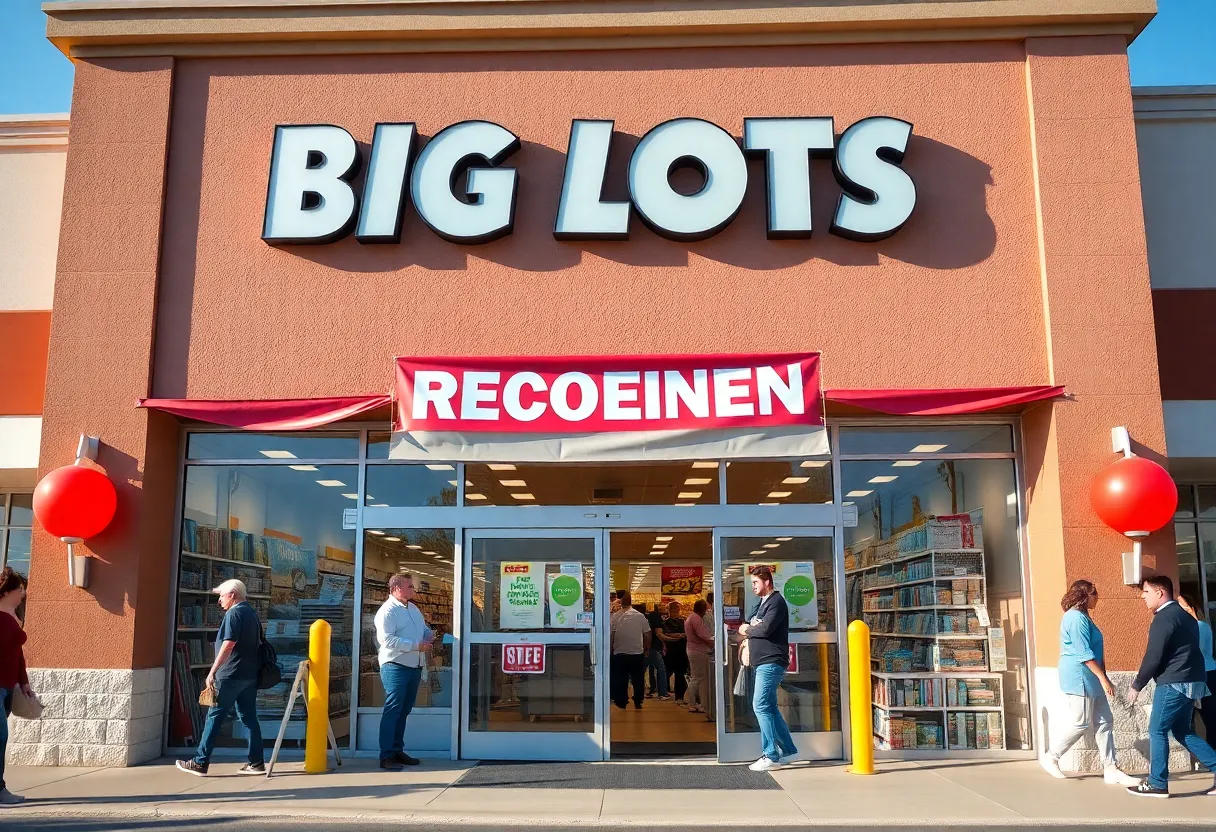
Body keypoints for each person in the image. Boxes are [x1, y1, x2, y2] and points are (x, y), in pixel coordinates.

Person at [1038, 580, 1139, 785]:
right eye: (1095, 593)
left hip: (1091, 676)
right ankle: (1052, 756)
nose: (1098, 597)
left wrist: (1103, 676)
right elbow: (1083, 653)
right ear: (1085, 595)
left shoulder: (1084, 617)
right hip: (1080, 676)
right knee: (1080, 721)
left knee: (1104, 721)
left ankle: (1110, 768)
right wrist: (1103, 678)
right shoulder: (1075, 618)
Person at [1125, 574, 1216, 798]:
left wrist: (1137, 685)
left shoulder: (1164, 618)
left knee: (1157, 730)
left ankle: (1157, 783)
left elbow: (1153, 656)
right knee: (1183, 731)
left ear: (1160, 592)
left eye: (1146, 592)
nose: (1143, 597)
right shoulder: (1186, 617)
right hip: (1191, 681)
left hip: (1174, 683)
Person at [177, 579, 264, 776]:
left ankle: (200, 762)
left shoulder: (234, 613)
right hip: (249, 675)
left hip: (230, 674)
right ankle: (256, 762)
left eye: (221, 596)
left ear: (232, 595)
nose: (219, 601)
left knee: (214, 717)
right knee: (249, 718)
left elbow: (228, 644)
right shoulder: (251, 613)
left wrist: (212, 671)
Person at [738, 565, 798, 771]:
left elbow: (763, 629)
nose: (753, 586)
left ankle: (771, 755)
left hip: (771, 661)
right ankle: (788, 750)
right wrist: (749, 629)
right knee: (770, 707)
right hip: (763, 661)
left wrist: (747, 629)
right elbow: (753, 626)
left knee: (760, 705)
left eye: (755, 582)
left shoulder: (776, 602)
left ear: (767, 582)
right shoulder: (762, 603)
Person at [375, 572, 433, 770]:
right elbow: (386, 640)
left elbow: (422, 629)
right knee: (393, 709)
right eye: (410, 586)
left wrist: (429, 635)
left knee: (404, 710)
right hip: (396, 665)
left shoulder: (413, 608)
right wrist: (416, 645)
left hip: (414, 665)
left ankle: (397, 749)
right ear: (397, 588)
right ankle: (386, 755)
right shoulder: (387, 611)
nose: (413, 590)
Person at [0, 568, 31, 805]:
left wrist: (24, 682)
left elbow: (16, 652)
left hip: (7, 686)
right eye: (19, 590)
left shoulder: (10, 617)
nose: (23, 594)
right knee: (1, 736)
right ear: (7, 591)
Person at [1177, 594, 1216, 745]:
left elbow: (1191, 653)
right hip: (1210, 671)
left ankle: (1209, 754)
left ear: (1190, 608)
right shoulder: (1204, 625)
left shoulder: (1196, 627)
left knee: (1201, 716)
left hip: (1200, 675)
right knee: (1210, 716)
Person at [610, 590, 651, 709]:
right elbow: (648, 633)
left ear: (620, 602)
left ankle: (622, 701)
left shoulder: (615, 617)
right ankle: (638, 700)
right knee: (638, 678)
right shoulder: (640, 616)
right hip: (637, 652)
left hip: (620, 652)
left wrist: (610, 648)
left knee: (621, 678)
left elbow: (612, 634)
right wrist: (647, 648)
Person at [684, 599, 714, 714]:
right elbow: (703, 635)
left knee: (695, 677)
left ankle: (693, 703)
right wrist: (714, 643)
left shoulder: (691, 617)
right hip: (698, 651)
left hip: (693, 650)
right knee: (699, 678)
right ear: (703, 609)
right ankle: (698, 704)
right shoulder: (696, 619)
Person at [660, 602, 689, 704]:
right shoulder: (666, 622)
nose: (675, 611)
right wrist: (679, 635)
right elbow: (665, 633)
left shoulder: (683, 621)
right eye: (674, 609)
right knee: (674, 672)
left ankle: (678, 695)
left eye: (676, 609)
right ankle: (670, 692)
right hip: (673, 650)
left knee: (679, 673)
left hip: (679, 650)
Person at [646, 604, 670, 700]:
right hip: (653, 647)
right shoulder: (656, 617)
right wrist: (672, 639)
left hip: (647, 647)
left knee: (648, 669)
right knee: (661, 668)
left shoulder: (648, 617)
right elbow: (659, 633)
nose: (665, 607)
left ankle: (652, 689)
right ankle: (663, 692)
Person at [704, 592, 717, 721]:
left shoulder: (707, 615)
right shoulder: (708, 614)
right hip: (710, 647)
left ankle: (711, 709)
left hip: (710, 647)